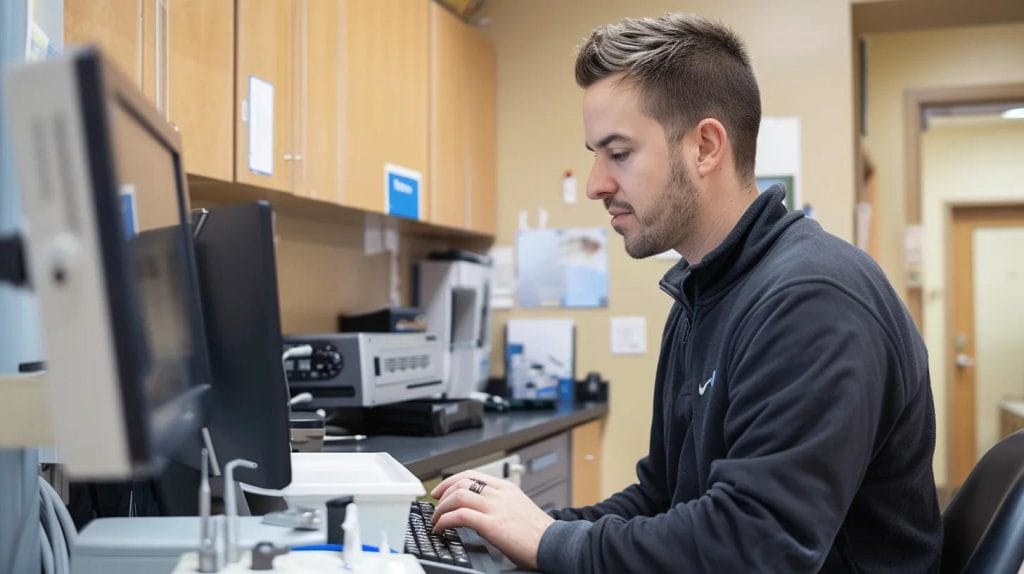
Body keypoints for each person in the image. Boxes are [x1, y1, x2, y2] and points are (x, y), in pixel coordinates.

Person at [430, 13, 942, 573]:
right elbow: (663, 498)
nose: (596, 184)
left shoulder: (812, 301)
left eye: (619, 153)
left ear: (705, 147)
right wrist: (522, 533)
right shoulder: (705, 293)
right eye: (596, 154)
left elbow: (754, 548)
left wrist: (551, 542)